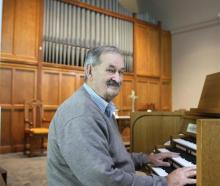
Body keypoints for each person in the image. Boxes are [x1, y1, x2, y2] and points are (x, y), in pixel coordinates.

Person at [47, 45, 196, 186]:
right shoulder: (81, 116)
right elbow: (104, 180)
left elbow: (112, 157)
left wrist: (146, 158)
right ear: (89, 71)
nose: (118, 79)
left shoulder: (100, 106)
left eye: (121, 72)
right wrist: (165, 182)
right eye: (111, 70)